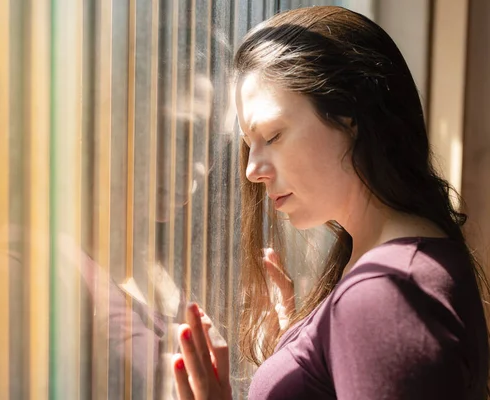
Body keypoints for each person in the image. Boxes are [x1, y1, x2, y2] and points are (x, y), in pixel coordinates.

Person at [171, 6, 490, 400]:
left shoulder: (387, 297)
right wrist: (305, 348)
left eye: (272, 135)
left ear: (349, 115)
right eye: (247, 145)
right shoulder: (392, 269)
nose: (252, 170)